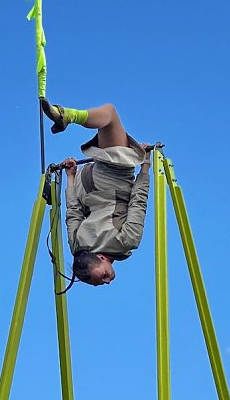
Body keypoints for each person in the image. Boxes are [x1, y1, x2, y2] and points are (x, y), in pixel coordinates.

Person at [41, 99, 151, 286]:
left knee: (109, 115)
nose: (108, 280)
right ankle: (66, 116)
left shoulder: (125, 242)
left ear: (100, 257)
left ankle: (67, 116)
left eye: (102, 277)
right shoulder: (76, 247)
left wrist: (145, 165)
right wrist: (71, 179)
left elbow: (138, 202)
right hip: (85, 184)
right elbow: (73, 212)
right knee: (108, 123)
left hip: (111, 180)